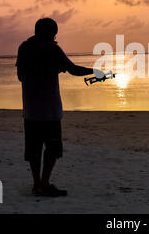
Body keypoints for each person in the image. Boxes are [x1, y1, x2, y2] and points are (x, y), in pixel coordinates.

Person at [16, 18, 102, 197]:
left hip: (30, 109)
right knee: (52, 148)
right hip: (50, 110)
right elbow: (73, 70)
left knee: (34, 149)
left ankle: (36, 185)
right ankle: (45, 184)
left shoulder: (24, 48)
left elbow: (20, 76)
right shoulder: (52, 48)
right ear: (52, 33)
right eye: (54, 33)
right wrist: (95, 72)